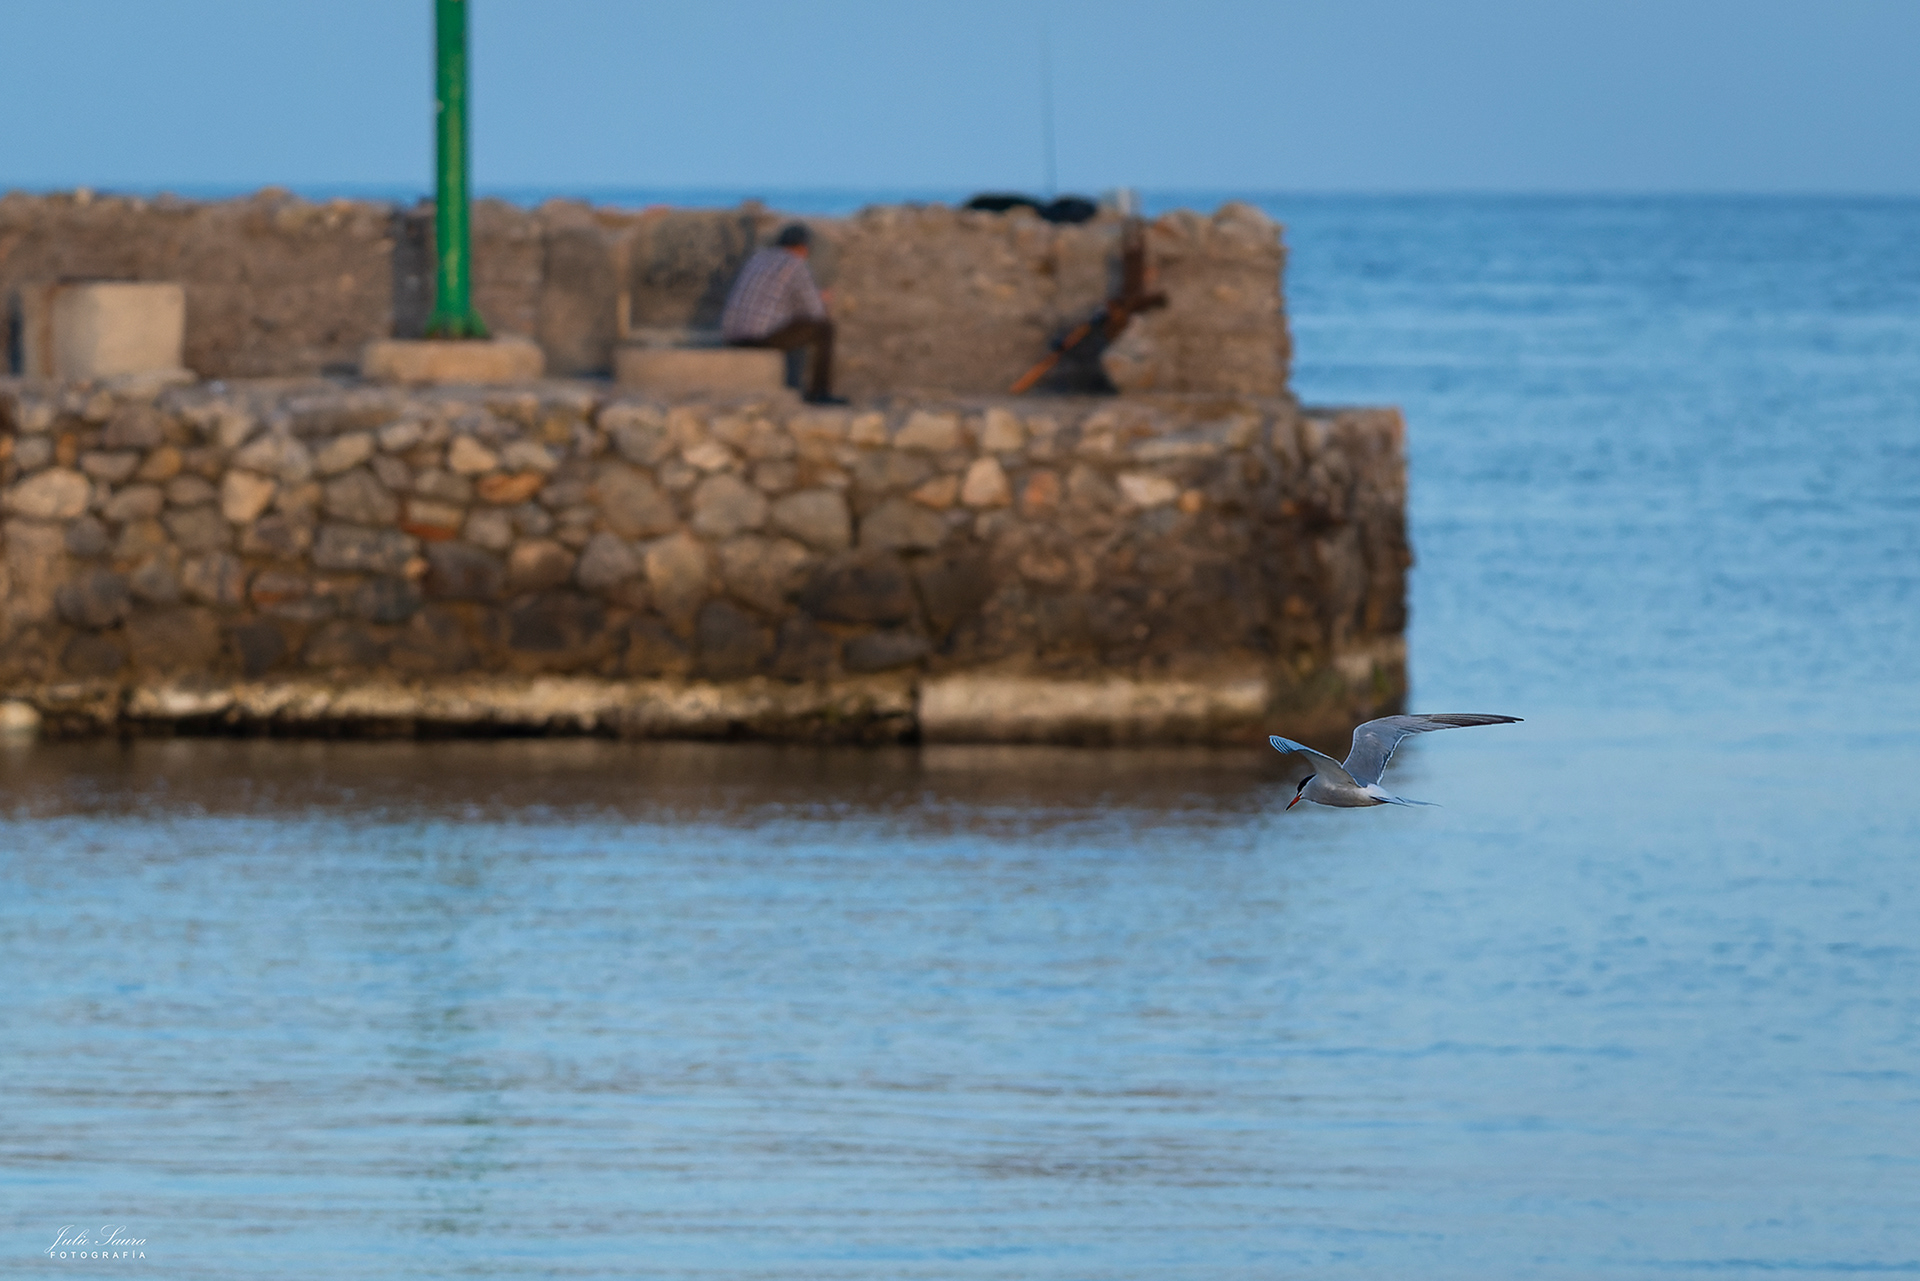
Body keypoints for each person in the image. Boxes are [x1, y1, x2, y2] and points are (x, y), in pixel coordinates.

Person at [721, 223, 845, 404]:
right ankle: (820, 393)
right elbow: (815, 312)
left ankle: (795, 386)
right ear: (803, 247)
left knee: (795, 326)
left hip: (732, 335)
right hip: (760, 338)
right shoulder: (795, 264)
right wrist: (823, 299)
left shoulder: (757, 258)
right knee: (824, 329)